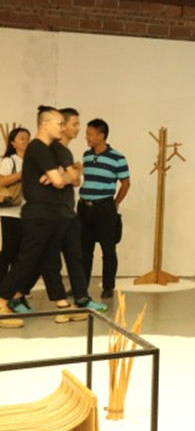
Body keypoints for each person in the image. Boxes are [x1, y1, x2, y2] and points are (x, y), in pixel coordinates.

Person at [0, 106, 83, 328]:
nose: (63, 128)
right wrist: (63, 176)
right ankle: (1, 302)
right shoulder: (38, 148)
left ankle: (62, 305)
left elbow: (71, 177)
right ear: (45, 124)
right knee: (27, 260)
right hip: (39, 215)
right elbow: (59, 181)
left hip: (49, 215)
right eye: (59, 124)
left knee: (50, 260)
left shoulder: (47, 149)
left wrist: (66, 174)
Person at [47, 108, 107, 312]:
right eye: (75, 124)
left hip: (68, 212)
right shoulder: (52, 150)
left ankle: (81, 297)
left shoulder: (65, 151)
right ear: (62, 126)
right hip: (53, 213)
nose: (79, 129)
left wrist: (72, 174)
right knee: (45, 260)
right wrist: (70, 175)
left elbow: (74, 181)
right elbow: (56, 180)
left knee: (75, 255)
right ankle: (13, 296)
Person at [78, 118, 130, 299]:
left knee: (108, 250)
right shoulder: (86, 155)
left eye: (90, 134)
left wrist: (115, 203)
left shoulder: (118, 158)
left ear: (101, 136)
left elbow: (125, 183)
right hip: (84, 208)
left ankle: (108, 286)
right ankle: (81, 287)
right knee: (84, 250)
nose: (86, 137)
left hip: (104, 208)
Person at [0, 127, 30, 285]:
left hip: (27, 212)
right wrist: (20, 174)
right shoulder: (9, 161)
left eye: (28, 138)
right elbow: (1, 181)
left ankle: (15, 286)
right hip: (10, 212)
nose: (26, 141)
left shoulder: (32, 161)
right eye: (22, 138)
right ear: (13, 143)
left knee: (22, 252)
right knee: (9, 250)